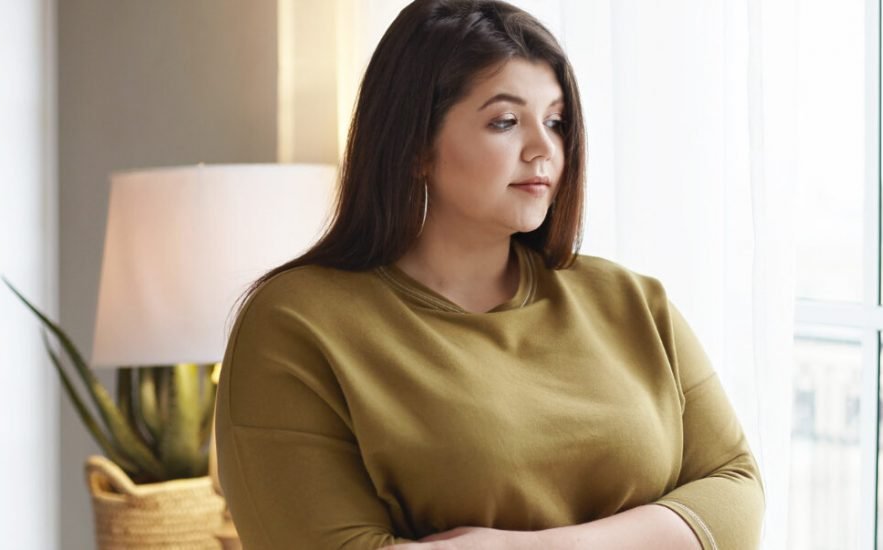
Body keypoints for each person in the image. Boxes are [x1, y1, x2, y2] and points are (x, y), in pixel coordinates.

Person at [213, 0, 765, 548]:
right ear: (415, 144)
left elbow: (736, 491)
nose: (543, 148)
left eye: (556, 122)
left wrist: (534, 547)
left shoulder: (632, 301)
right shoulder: (296, 323)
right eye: (505, 121)